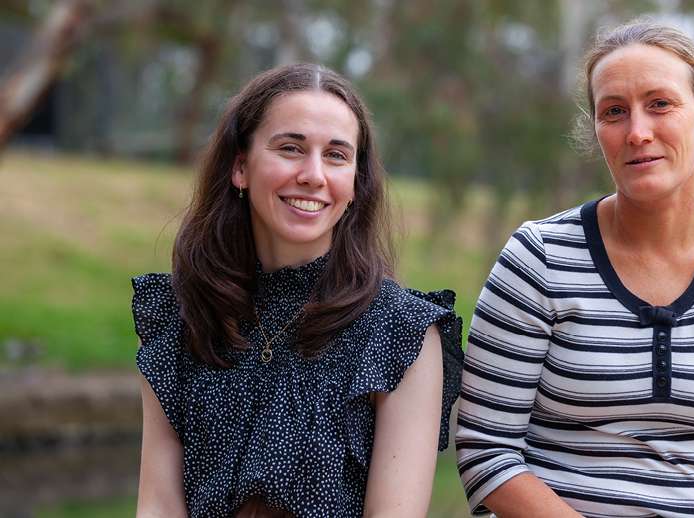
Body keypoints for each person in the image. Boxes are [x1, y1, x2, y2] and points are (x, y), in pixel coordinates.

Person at [455, 19, 694, 518]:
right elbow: (485, 448)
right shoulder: (539, 258)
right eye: (614, 112)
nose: (637, 132)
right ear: (597, 130)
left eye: (660, 104)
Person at [131, 63, 463, 518]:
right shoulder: (180, 314)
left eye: (336, 155)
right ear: (241, 167)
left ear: (355, 185)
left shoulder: (401, 332)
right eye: (291, 148)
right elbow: (157, 504)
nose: (313, 175)